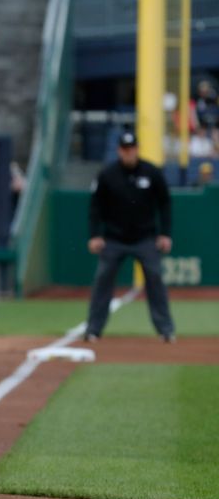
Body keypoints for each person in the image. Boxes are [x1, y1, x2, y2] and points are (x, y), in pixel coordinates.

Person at [85, 131, 175, 343]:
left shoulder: (151, 172)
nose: (129, 153)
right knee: (102, 280)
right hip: (114, 239)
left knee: (155, 279)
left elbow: (165, 203)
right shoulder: (107, 174)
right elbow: (95, 207)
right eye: (125, 149)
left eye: (132, 148)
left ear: (137, 149)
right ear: (119, 151)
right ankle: (93, 330)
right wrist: (94, 235)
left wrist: (165, 234)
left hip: (145, 238)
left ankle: (166, 330)